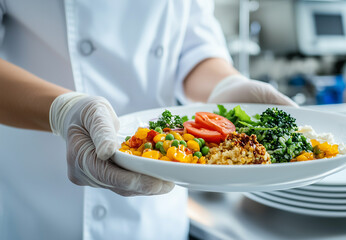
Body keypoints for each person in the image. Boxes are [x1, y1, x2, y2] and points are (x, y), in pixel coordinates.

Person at [0, 1, 297, 240]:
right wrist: (62, 110)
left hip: (157, 212)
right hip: (41, 202)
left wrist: (225, 88)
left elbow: (193, 47)